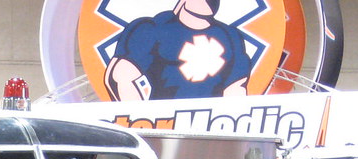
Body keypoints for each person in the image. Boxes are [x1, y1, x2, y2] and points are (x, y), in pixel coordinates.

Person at [104, 0, 251, 101]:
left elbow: (235, 89)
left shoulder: (231, 37)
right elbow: (120, 76)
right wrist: (141, 119)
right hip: (158, 125)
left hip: (208, 129)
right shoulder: (152, 28)